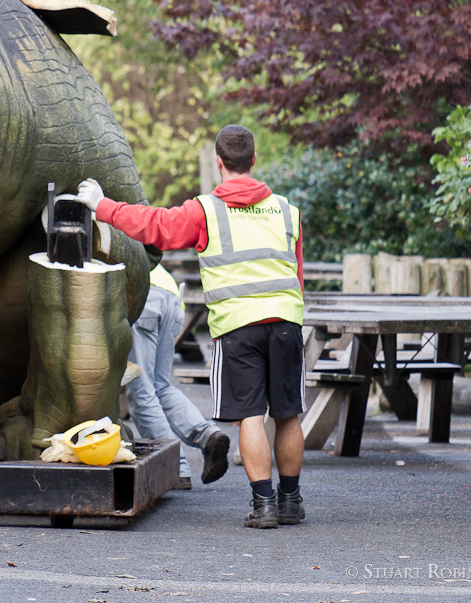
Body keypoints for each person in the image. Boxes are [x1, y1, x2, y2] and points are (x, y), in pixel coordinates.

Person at [76, 125, 305, 529]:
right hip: (286, 321)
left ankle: (264, 506)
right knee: (287, 415)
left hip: (238, 326)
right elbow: (297, 272)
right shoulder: (287, 210)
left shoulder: (206, 211)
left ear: (219, 163)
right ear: (254, 160)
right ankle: (290, 501)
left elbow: (155, 226)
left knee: (251, 414)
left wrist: (102, 205)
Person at [125, 264, 232, 490]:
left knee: (141, 390)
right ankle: (207, 436)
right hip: (172, 297)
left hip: (141, 293)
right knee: (160, 387)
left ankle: (174, 467)